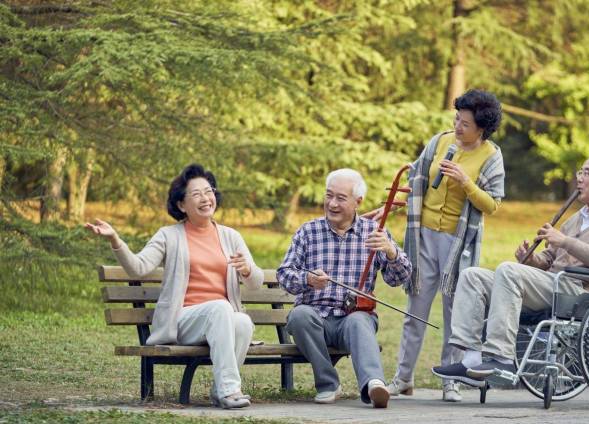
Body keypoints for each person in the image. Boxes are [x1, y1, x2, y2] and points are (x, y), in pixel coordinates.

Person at [431, 149, 589, 387]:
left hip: (582, 292)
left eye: (587, 173)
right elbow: (549, 260)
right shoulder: (576, 219)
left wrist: (564, 241)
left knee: (508, 270)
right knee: (472, 276)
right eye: (580, 172)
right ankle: (471, 359)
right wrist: (531, 260)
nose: (579, 178)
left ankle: (501, 358)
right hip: (553, 285)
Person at [363, 89, 505, 401]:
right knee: (416, 310)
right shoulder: (440, 142)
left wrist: (466, 182)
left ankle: (450, 382)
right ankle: (403, 378)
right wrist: (391, 205)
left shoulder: (491, 157)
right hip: (424, 236)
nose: (458, 127)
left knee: (455, 314)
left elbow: (492, 204)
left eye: (465, 124)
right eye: (457, 119)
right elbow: (417, 182)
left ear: (482, 128)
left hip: (458, 243)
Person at [85, 164, 263, 409]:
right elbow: (138, 268)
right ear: (181, 205)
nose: (205, 198)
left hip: (218, 319)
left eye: (209, 191)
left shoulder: (230, 236)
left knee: (242, 321)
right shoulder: (169, 235)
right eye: (196, 194)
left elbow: (256, 283)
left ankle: (220, 390)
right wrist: (116, 240)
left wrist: (247, 269)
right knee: (222, 308)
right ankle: (231, 390)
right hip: (182, 320)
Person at [277, 169, 412, 408]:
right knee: (299, 316)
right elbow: (284, 274)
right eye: (329, 196)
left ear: (358, 202)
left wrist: (391, 252)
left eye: (340, 198)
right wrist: (308, 279)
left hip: (353, 319)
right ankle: (328, 384)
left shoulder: (374, 232)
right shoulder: (308, 232)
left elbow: (398, 278)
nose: (332, 203)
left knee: (359, 320)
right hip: (315, 318)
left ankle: (374, 384)